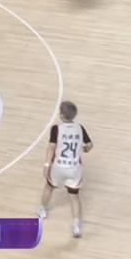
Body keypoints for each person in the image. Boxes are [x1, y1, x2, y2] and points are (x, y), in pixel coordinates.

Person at [38, 101, 93, 238]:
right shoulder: (80, 128)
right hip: (74, 168)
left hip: (58, 167)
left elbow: (51, 147)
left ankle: (43, 210)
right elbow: (89, 145)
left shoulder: (56, 129)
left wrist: (46, 165)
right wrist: (85, 148)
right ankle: (76, 226)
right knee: (74, 197)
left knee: (49, 187)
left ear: (62, 115)